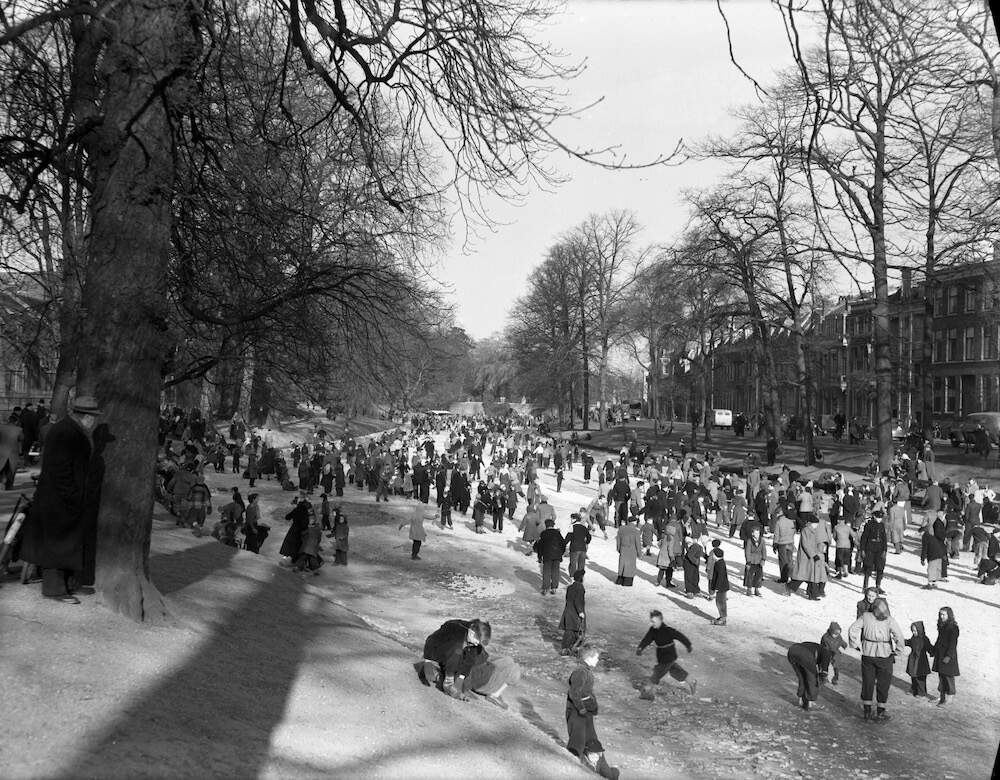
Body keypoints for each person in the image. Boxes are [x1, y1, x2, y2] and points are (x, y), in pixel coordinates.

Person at [20, 395, 103, 604]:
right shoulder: (66, 432)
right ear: (84, 416)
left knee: (67, 544)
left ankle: (68, 584)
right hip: (59, 500)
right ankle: (54, 589)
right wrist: (72, 495)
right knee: (57, 545)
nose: (94, 422)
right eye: (93, 417)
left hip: (63, 498)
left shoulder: (70, 430)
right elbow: (60, 469)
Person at [847, 597, 906, 721]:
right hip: (884, 655)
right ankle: (880, 711)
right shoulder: (889, 620)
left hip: (868, 654)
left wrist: (854, 644)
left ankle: (867, 711)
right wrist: (898, 651)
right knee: (883, 683)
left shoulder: (865, 616)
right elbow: (899, 636)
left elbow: (852, 629)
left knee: (868, 682)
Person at [566, 648, 620, 779]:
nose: (597, 660)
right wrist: (581, 708)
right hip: (577, 711)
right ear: (588, 658)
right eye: (596, 657)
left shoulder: (586, 671)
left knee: (592, 739)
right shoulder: (580, 672)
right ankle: (570, 767)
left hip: (585, 711)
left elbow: (587, 692)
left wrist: (592, 706)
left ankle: (606, 772)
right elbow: (574, 693)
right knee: (577, 740)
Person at [636, 610, 697, 700]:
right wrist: (641, 647)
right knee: (674, 671)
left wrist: (688, 645)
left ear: (660, 620)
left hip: (669, 655)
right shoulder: (652, 630)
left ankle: (648, 693)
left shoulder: (668, 630)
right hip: (662, 655)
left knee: (657, 673)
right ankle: (691, 681)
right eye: (651, 621)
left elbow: (680, 636)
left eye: (654, 622)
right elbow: (647, 639)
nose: (653, 624)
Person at [786, 640, 832, 710]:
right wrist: (823, 677)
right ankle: (809, 701)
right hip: (805, 654)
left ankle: (800, 699)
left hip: (792, 650)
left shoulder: (817, 647)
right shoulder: (827, 653)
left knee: (802, 678)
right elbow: (824, 670)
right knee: (812, 680)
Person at [929, 606, 960, 706]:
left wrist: (948, 656)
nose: (941, 616)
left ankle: (950, 698)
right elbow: (939, 640)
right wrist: (933, 650)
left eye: (944, 614)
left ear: (949, 615)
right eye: (940, 614)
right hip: (940, 654)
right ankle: (941, 697)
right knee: (941, 676)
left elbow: (953, 644)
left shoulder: (953, 628)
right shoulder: (942, 626)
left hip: (948, 657)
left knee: (948, 677)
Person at [859, 511, 888, 594]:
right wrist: (862, 549)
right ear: (874, 516)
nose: (879, 519)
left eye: (881, 517)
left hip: (879, 548)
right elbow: (864, 538)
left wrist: (885, 550)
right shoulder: (869, 525)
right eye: (878, 517)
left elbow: (884, 538)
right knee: (868, 567)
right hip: (870, 548)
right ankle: (865, 586)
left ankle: (878, 586)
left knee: (880, 568)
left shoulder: (882, 525)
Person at [534, 518, 565, 595]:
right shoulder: (558, 533)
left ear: (546, 525)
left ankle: (545, 588)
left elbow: (540, 546)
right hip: (557, 555)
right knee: (555, 571)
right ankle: (554, 588)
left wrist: (539, 556)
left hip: (547, 555)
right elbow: (563, 544)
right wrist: (561, 553)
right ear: (553, 525)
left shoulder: (544, 533)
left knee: (547, 571)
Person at [559, 570, 586, 655]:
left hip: (568, 612)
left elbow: (568, 599)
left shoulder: (570, 587)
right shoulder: (580, 587)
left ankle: (568, 648)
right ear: (581, 578)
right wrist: (580, 612)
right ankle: (571, 648)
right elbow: (578, 601)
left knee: (570, 630)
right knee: (575, 630)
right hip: (575, 613)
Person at [904, 621, 932, 698]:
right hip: (913, 660)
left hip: (921, 661)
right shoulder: (913, 638)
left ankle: (921, 692)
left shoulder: (924, 639)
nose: (914, 632)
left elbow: (929, 647)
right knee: (913, 676)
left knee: (921, 677)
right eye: (912, 630)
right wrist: (903, 641)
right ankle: (913, 689)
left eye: (915, 631)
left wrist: (933, 652)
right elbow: (909, 642)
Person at [615, 516, 642, 587]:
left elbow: (618, 541)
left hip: (623, 549)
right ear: (634, 522)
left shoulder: (621, 529)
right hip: (632, 551)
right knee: (629, 567)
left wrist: (619, 549)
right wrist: (639, 554)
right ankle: (627, 582)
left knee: (622, 565)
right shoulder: (636, 531)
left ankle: (620, 580)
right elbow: (638, 544)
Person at [743, 525, 766, 597]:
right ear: (752, 533)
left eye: (758, 533)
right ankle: (749, 589)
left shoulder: (762, 540)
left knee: (759, 576)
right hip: (751, 561)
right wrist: (748, 561)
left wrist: (763, 559)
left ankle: (757, 589)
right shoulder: (749, 541)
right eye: (756, 533)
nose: (757, 535)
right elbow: (747, 551)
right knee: (749, 575)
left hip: (759, 561)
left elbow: (764, 550)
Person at [708, 547, 729, 625]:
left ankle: (723, 618)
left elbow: (720, 576)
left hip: (721, 587)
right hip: (721, 586)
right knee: (719, 602)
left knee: (720, 602)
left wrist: (717, 587)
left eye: (713, 554)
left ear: (716, 555)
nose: (712, 556)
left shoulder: (720, 564)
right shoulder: (719, 562)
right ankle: (722, 616)